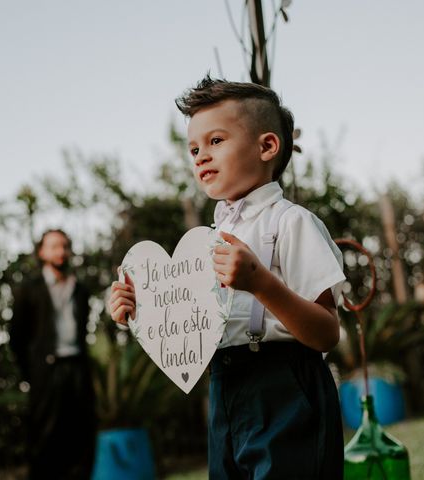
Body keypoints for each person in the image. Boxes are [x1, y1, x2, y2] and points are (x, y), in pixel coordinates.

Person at [109, 76, 346, 479]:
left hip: (284, 381)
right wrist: (138, 309)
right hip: (225, 384)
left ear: (267, 146)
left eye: (216, 141)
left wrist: (261, 283)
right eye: (194, 148)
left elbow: (326, 333)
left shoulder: (291, 223)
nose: (201, 156)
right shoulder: (207, 241)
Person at [9, 229, 97, 480]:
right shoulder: (29, 289)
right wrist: (32, 374)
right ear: (42, 252)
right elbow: (16, 337)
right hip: (46, 372)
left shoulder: (80, 289)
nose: (61, 251)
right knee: (45, 440)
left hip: (77, 368)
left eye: (65, 246)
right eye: (55, 246)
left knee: (81, 437)